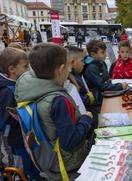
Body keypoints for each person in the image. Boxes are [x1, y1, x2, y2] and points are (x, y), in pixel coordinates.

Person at [15, 43, 94, 180]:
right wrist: (86, 119)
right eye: (67, 67)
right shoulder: (58, 100)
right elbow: (69, 141)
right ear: (61, 69)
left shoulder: (31, 89)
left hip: (51, 161)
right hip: (68, 168)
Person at [0, 48, 40, 179]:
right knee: (24, 165)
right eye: (25, 66)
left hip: (22, 135)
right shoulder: (7, 90)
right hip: (16, 139)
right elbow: (9, 118)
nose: (28, 70)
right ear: (12, 69)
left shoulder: (16, 84)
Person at [83, 40, 128, 113]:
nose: (106, 55)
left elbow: (106, 79)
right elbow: (102, 86)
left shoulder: (102, 63)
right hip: (96, 102)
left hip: (104, 95)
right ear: (93, 54)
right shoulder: (91, 68)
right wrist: (120, 86)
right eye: (102, 52)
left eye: (105, 52)